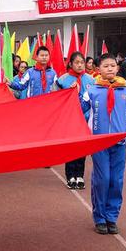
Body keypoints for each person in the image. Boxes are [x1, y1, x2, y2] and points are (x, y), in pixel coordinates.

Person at [81, 53, 126, 235]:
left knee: (116, 180)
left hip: (119, 143)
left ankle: (111, 217)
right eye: (105, 66)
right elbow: (78, 111)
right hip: (99, 144)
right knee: (102, 179)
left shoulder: (124, 91)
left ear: (117, 68)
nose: (110, 69)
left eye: (112, 66)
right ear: (98, 70)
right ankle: (99, 217)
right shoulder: (91, 90)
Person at [56, 52, 94, 189]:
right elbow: (55, 98)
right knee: (71, 147)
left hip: (84, 119)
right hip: (69, 119)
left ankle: (80, 175)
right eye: (76, 62)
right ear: (70, 64)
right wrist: (69, 92)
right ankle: (70, 175)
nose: (79, 65)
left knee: (82, 148)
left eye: (82, 62)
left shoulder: (91, 80)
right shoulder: (62, 80)